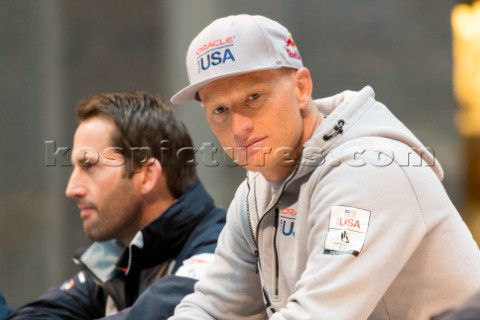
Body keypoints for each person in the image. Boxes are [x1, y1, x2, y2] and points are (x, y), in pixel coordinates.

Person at [168, 14, 480, 320]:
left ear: (301, 88)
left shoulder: (369, 170)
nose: (238, 127)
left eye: (253, 97)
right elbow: (209, 306)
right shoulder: (255, 192)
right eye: (220, 109)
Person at [7, 92, 226, 319]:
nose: (71, 189)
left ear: (147, 176)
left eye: (89, 165)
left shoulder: (220, 250)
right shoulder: (119, 256)